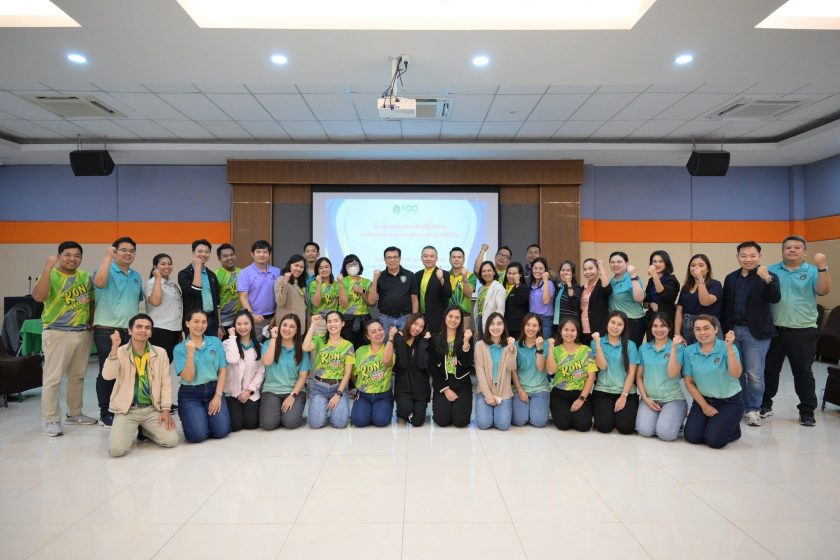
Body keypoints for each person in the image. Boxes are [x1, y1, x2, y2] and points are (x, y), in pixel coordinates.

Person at [763, 236, 831, 426]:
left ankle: (807, 411)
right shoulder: (771, 270)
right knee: (769, 370)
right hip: (774, 330)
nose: (792, 250)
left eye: (797, 247)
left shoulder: (813, 270)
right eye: (788, 247)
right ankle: (765, 404)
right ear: (782, 251)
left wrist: (822, 267)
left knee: (803, 372)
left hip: (802, 330)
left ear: (804, 252)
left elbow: (823, 290)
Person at [31, 241, 96, 436]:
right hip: (57, 332)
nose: (72, 259)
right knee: (53, 379)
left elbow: (91, 302)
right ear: (59, 256)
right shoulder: (50, 274)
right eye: (67, 255)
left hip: (82, 332)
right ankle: (51, 420)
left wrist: (90, 324)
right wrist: (47, 268)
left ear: (81, 258)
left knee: (77, 376)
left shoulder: (85, 277)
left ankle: (75, 413)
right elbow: (39, 296)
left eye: (77, 255)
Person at [720, 241, 780, 428]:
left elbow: (775, 297)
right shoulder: (731, 278)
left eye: (752, 255)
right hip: (733, 330)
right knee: (735, 372)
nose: (748, 259)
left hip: (756, 332)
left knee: (754, 373)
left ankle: (753, 408)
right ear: (737, 257)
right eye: (743, 256)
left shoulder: (769, 276)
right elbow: (726, 305)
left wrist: (767, 279)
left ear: (760, 256)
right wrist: (725, 329)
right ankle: (739, 406)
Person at [102, 313, 178, 457]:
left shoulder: (160, 353)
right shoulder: (120, 351)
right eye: (139, 327)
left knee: (171, 441)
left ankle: (146, 431)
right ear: (130, 330)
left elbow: (166, 383)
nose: (143, 330)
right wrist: (114, 348)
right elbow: (107, 375)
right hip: (127, 410)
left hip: (152, 409)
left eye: (147, 328)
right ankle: (132, 428)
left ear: (151, 333)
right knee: (116, 450)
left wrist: (166, 409)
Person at [92, 237, 144, 427]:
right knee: (108, 372)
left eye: (131, 250)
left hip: (129, 332)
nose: (128, 253)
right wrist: (108, 257)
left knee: (128, 372)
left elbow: (135, 301)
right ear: (114, 251)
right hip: (107, 330)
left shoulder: (136, 276)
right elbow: (99, 283)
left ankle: (122, 406)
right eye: (123, 250)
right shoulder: (104, 269)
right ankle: (105, 412)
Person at [679, 316, 743, 448]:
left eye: (706, 328)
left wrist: (729, 348)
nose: (702, 333)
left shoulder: (727, 347)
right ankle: (716, 424)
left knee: (714, 441)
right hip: (703, 399)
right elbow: (688, 382)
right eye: (698, 329)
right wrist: (704, 406)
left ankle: (734, 429)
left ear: (715, 329)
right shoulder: (689, 351)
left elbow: (736, 374)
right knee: (692, 436)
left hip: (729, 401)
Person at [173, 309, 231, 443]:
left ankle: (204, 417)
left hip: (213, 390)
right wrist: (190, 353)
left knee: (221, 431)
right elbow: (188, 377)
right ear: (187, 323)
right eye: (196, 321)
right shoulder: (179, 348)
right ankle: (197, 417)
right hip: (190, 394)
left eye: (204, 322)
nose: (200, 326)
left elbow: (222, 370)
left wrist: (218, 396)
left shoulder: (215, 342)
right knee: (197, 436)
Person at [635, 313, 687, 442]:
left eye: (663, 326)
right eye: (655, 326)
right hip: (650, 399)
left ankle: (677, 416)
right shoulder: (643, 348)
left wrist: (673, 348)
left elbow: (672, 373)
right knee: (644, 431)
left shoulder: (679, 348)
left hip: (672, 399)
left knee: (665, 434)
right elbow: (639, 377)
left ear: (669, 327)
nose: (659, 329)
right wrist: (645, 398)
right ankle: (662, 419)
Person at [591, 311, 640, 435]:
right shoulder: (596, 342)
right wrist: (598, 344)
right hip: (603, 390)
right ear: (607, 323)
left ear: (624, 327)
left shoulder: (631, 345)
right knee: (604, 427)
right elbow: (602, 366)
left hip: (626, 392)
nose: (615, 327)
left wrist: (623, 396)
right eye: (612, 322)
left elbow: (631, 374)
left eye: (619, 324)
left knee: (625, 428)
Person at [303, 311, 355, 428]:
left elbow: (347, 374)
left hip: (338, 387)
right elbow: (305, 347)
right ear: (326, 324)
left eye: (336, 321)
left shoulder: (348, 346)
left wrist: (338, 394)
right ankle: (322, 409)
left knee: (340, 423)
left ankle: (333, 410)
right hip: (319, 387)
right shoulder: (320, 340)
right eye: (329, 321)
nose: (332, 324)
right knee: (315, 424)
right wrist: (313, 325)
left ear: (342, 323)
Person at [260, 314, 311, 430]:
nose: (287, 329)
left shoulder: (301, 349)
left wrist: (292, 396)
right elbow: (267, 361)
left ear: (297, 331)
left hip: (294, 391)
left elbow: (303, 376)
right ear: (279, 327)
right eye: (284, 325)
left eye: (292, 327)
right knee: (268, 424)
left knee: (290, 422)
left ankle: (283, 412)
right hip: (271, 390)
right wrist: (274, 338)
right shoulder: (269, 343)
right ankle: (276, 411)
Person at [546, 317, 598, 431]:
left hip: (580, 393)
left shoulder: (586, 350)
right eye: (566, 330)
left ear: (577, 332)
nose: (569, 333)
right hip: (560, 393)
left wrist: (581, 398)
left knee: (583, 425)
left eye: (573, 330)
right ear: (560, 331)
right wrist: (550, 349)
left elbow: (591, 377)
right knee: (563, 425)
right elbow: (550, 371)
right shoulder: (555, 350)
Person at [429, 306, 474, 427]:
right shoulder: (435, 338)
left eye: (457, 317)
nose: (453, 320)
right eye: (450, 316)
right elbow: (432, 367)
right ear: (445, 317)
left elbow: (467, 365)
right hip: (442, 382)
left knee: (461, 422)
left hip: (462, 383)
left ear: (461, 320)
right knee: (442, 421)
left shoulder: (466, 337)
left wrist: (466, 343)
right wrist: (445, 389)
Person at [221, 310, 265, 431]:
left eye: (246, 323)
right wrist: (232, 336)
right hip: (232, 393)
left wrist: (249, 391)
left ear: (251, 325)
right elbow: (233, 359)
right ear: (234, 326)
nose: (242, 327)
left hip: (249, 392)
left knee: (251, 424)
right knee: (236, 425)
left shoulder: (259, 347)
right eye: (239, 324)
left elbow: (260, 372)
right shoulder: (227, 344)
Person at [473, 313, 516, 430]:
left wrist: (511, 351)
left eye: (499, 324)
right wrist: (488, 396)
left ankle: (496, 414)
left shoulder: (510, 346)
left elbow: (511, 367)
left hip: (504, 392)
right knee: (483, 424)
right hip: (484, 391)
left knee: (503, 425)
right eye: (492, 324)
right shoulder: (480, 345)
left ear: (504, 327)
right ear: (487, 327)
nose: (495, 327)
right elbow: (480, 372)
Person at [351, 320, 396, 427]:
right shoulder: (360, 351)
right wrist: (359, 386)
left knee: (380, 421)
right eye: (373, 332)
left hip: (383, 395)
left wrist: (390, 338)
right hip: (363, 395)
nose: (378, 333)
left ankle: (380, 409)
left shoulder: (389, 349)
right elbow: (353, 373)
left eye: (380, 330)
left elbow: (386, 362)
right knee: (359, 421)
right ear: (368, 336)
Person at [237, 240, 281, 341]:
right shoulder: (245, 273)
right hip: (254, 319)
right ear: (252, 254)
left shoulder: (277, 272)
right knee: (254, 346)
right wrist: (252, 315)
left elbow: (279, 296)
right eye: (258, 252)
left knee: (272, 346)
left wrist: (275, 316)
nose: (262, 254)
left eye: (265, 252)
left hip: (273, 318)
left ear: (269, 254)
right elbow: (243, 297)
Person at [674, 254, 723, 345]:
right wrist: (677, 333)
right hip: (687, 325)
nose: (696, 268)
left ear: (708, 269)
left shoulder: (715, 284)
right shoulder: (686, 287)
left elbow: (705, 302)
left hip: (707, 325)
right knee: (690, 352)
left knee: (709, 351)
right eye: (693, 265)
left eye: (701, 265)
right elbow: (679, 310)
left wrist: (700, 278)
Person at [392, 313, 431, 427]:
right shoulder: (399, 338)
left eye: (421, 326)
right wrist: (399, 340)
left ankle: (412, 409)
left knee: (417, 421)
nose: (417, 328)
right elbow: (402, 363)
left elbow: (422, 364)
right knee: (404, 410)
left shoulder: (424, 341)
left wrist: (424, 342)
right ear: (409, 322)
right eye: (415, 324)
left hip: (420, 389)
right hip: (403, 387)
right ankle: (404, 409)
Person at [512, 314, 550, 428]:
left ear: (539, 328)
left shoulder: (546, 345)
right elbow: (513, 370)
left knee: (539, 422)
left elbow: (540, 368)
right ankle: (528, 410)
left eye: (534, 325)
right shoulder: (516, 345)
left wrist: (539, 349)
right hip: (521, 388)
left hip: (540, 388)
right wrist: (519, 389)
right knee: (518, 421)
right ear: (523, 326)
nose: (531, 328)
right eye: (528, 325)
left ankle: (533, 410)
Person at [178, 239, 222, 337]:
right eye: (200, 251)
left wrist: (219, 325)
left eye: (207, 252)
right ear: (193, 252)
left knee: (211, 345)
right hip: (194, 321)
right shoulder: (184, 274)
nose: (203, 254)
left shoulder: (211, 275)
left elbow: (217, 303)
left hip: (211, 320)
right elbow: (195, 291)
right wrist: (197, 267)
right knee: (194, 346)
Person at [369, 246, 416, 334]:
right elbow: (371, 302)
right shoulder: (380, 276)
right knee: (385, 342)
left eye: (395, 257)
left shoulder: (410, 275)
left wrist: (414, 318)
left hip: (406, 318)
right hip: (385, 319)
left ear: (400, 258)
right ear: (385, 260)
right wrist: (375, 279)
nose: (392, 260)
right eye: (389, 257)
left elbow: (414, 299)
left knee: (405, 342)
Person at [145, 253, 182, 361]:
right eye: (163, 264)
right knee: (157, 363)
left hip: (174, 329)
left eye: (169, 264)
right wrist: (157, 278)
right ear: (155, 266)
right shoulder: (152, 283)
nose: (167, 266)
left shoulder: (172, 284)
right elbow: (155, 301)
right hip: (159, 329)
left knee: (167, 362)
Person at [411, 246, 452, 335]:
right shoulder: (417, 274)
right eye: (425, 256)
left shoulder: (444, 273)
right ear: (421, 258)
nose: (428, 259)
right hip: (421, 318)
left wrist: (441, 279)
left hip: (437, 319)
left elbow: (448, 294)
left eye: (432, 256)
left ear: (436, 258)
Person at [607, 252, 645, 347]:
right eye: (612, 262)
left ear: (627, 263)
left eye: (619, 262)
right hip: (617, 322)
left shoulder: (633, 278)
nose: (615, 264)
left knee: (630, 351)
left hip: (633, 322)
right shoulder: (612, 281)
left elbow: (639, 298)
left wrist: (633, 276)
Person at [337, 254, 374, 348]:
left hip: (364, 320)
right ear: (345, 268)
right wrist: (340, 284)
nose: (352, 267)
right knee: (347, 348)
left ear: (359, 265)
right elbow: (343, 304)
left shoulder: (367, 282)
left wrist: (362, 291)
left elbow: (371, 303)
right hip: (347, 320)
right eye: (348, 265)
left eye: (354, 264)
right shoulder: (341, 281)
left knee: (364, 347)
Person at [643, 250, 680, 340]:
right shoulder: (651, 281)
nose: (657, 264)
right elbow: (645, 302)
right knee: (652, 344)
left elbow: (666, 295)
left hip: (667, 319)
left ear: (666, 263)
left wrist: (654, 275)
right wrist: (651, 304)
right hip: (652, 319)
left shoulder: (671, 280)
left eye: (660, 261)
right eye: (654, 261)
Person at [579, 258, 611, 347]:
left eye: (590, 268)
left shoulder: (602, 285)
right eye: (585, 269)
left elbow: (607, 290)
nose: (587, 272)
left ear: (597, 269)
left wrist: (601, 267)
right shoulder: (583, 288)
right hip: (583, 330)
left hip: (598, 330)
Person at [274, 254, 309, 333]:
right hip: (286, 325)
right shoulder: (281, 279)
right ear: (289, 265)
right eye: (296, 265)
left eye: (301, 267)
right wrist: (285, 283)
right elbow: (280, 302)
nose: (299, 269)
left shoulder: (300, 282)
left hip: (300, 324)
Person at [473, 260, 506, 340]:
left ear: (494, 272)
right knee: (481, 345)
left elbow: (500, 309)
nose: (486, 273)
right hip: (480, 321)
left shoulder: (498, 287)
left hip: (492, 323)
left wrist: (496, 327)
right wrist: (477, 327)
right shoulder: (481, 288)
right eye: (483, 271)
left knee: (490, 345)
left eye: (489, 270)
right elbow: (479, 310)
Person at [448, 247, 476, 330]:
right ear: (450, 260)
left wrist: (464, 278)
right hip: (448, 314)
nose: (456, 259)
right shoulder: (445, 275)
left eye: (459, 257)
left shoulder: (470, 275)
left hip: (464, 315)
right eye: (454, 257)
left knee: (463, 337)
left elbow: (469, 294)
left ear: (463, 260)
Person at [215, 244, 242, 331]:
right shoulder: (215, 275)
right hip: (223, 322)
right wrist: (218, 324)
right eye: (225, 256)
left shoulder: (243, 273)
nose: (229, 258)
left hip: (240, 320)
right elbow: (215, 302)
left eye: (232, 254)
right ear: (219, 259)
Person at [528, 257, 556, 339]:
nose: (537, 271)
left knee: (544, 344)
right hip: (532, 319)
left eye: (541, 268)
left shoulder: (549, 283)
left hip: (545, 320)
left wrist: (545, 280)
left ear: (545, 270)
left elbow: (546, 300)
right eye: (535, 268)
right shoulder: (532, 284)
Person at [308, 256, 340, 323]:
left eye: (326, 267)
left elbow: (342, 304)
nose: (324, 270)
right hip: (318, 319)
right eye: (321, 268)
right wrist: (319, 283)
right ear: (317, 270)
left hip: (333, 319)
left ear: (331, 268)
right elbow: (316, 303)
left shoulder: (336, 284)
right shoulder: (313, 284)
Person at [503, 262, 530, 339]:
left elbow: (520, 300)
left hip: (518, 327)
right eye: (509, 273)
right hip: (505, 326)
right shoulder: (503, 287)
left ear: (520, 274)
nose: (511, 276)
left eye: (514, 274)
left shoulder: (524, 287)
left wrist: (518, 284)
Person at [553, 260, 581, 328]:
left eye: (568, 270)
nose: (565, 273)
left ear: (573, 274)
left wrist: (569, 283)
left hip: (570, 325)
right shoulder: (559, 287)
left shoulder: (576, 287)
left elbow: (574, 303)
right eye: (563, 270)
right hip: (557, 324)